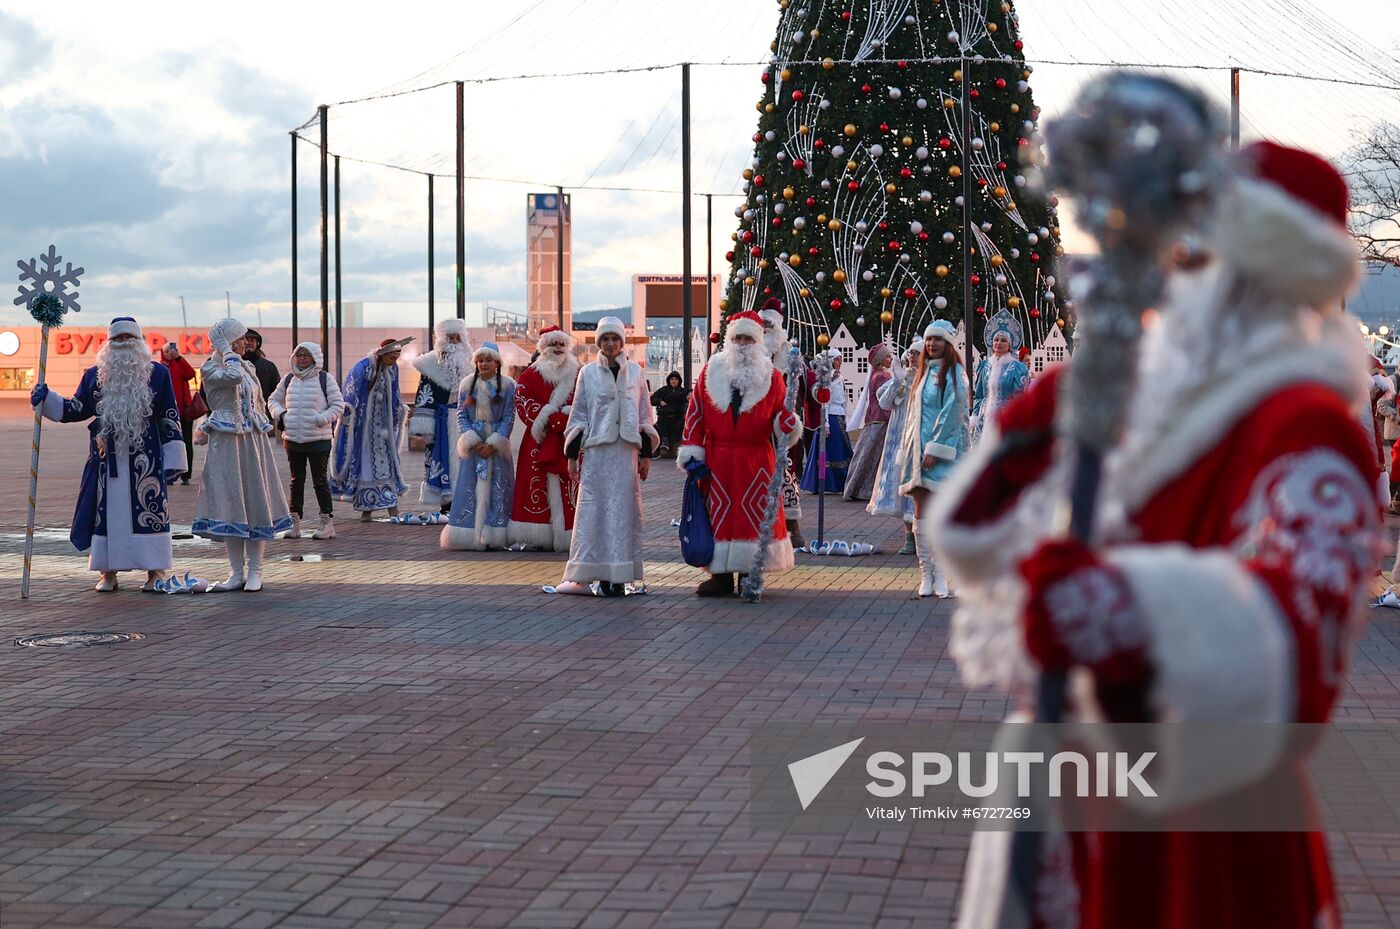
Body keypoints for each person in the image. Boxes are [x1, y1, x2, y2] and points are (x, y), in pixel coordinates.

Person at [931, 141, 1380, 929]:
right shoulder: (1148, 402)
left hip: (1201, 822)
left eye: (1194, 254)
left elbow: (1301, 632)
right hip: (1080, 789)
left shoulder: (1303, 422)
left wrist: (1119, 606)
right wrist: (1020, 442)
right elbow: (974, 540)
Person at [32, 317, 186, 592]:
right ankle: (108, 572)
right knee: (105, 512)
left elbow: (169, 415)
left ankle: (155, 571)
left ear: (139, 342)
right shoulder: (95, 375)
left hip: (146, 460)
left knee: (149, 511)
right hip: (106, 460)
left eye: (129, 338)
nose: (124, 344)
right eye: (118, 339)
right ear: (109, 343)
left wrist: (173, 458)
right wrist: (48, 399)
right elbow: (76, 408)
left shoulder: (158, 375)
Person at [678, 310, 802, 596]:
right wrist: (692, 450)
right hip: (717, 460)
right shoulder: (710, 372)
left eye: (748, 338)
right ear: (729, 340)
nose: (742, 344)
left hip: (756, 460)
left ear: (758, 342)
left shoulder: (772, 377)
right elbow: (694, 414)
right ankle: (720, 576)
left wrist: (787, 424)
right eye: (738, 338)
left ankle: (750, 572)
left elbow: (782, 416)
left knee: (753, 515)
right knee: (718, 514)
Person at [553, 318, 658, 596]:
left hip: (625, 453)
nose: (610, 344)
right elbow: (579, 415)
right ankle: (589, 571)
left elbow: (645, 415)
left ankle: (620, 575)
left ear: (622, 342)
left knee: (622, 512)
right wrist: (572, 456)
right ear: (599, 342)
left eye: (615, 339)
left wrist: (646, 455)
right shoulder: (587, 373)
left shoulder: (636, 373)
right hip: (597, 453)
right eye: (605, 339)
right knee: (594, 511)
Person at [192, 318, 292, 592]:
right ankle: (236, 572)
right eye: (240, 338)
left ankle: (256, 570)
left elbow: (256, 400)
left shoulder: (247, 366)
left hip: (252, 441)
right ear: (226, 341)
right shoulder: (211, 366)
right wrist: (227, 352)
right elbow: (232, 378)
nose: (245, 342)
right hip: (227, 441)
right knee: (231, 502)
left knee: (255, 499)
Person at [894, 319, 968, 598]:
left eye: (937, 339)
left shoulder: (955, 373)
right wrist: (908, 449)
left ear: (948, 344)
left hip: (942, 455)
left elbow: (952, 413)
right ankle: (926, 573)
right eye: (928, 339)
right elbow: (913, 416)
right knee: (921, 512)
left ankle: (942, 573)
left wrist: (936, 449)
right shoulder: (923, 374)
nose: (932, 344)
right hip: (918, 455)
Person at [508, 326, 580, 551]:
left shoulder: (580, 373)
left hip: (570, 438)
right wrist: (548, 417)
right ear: (543, 347)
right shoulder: (530, 374)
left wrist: (566, 417)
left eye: (561, 344)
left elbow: (588, 401)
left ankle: (573, 534)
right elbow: (521, 400)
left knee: (572, 484)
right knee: (536, 484)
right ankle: (538, 536)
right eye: (552, 344)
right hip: (539, 439)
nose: (557, 348)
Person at [442, 342, 516, 551]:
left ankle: (497, 534)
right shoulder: (467, 385)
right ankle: (468, 534)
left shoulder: (508, 386)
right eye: (480, 360)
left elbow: (509, 415)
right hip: (474, 447)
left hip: (497, 446)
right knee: (469, 486)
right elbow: (461, 414)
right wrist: (471, 439)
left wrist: (495, 442)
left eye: (488, 360)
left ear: (497, 363)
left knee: (498, 487)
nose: (484, 364)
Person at [267, 341, 345, 540]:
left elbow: (338, 405)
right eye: (298, 355)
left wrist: (320, 419)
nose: (301, 358)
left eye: (305, 355)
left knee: (320, 481)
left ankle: (327, 524)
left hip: (319, 439)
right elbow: (272, 400)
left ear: (315, 358)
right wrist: (282, 415)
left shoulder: (325, 379)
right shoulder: (288, 379)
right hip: (293, 439)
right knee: (296, 481)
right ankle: (294, 524)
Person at [330, 337, 411, 520]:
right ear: (383, 354)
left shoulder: (393, 369)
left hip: (383, 428)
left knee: (387, 464)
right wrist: (352, 417)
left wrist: (397, 410)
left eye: (397, 357)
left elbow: (395, 393)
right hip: (364, 429)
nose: (394, 360)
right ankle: (367, 509)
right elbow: (351, 393)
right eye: (391, 357)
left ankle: (392, 507)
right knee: (365, 464)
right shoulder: (364, 367)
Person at [408, 318, 473, 511]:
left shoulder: (472, 363)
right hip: (442, 422)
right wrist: (425, 427)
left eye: (457, 337)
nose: (453, 342)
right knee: (444, 460)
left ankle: (467, 500)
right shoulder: (429, 365)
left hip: (468, 422)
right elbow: (424, 395)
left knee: (468, 460)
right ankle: (447, 503)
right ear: (441, 339)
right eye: (449, 337)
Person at [867, 339, 923, 554]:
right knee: (902, 482)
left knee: (919, 485)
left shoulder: (929, 378)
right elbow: (885, 403)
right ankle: (908, 537)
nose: (912, 357)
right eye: (911, 353)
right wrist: (898, 382)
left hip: (920, 434)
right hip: (900, 435)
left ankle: (921, 536)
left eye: (917, 353)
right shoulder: (902, 377)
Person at [760, 298, 805, 548]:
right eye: (762, 324)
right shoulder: (754, 352)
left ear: (778, 326)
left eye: (770, 324)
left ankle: (792, 526)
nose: (766, 329)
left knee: (786, 474)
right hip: (755, 426)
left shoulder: (789, 355)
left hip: (782, 425)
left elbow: (800, 389)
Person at [842, 342, 894, 502]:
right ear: (880, 360)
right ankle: (868, 488)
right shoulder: (883, 376)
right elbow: (885, 402)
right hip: (881, 421)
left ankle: (856, 487)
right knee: (876, 457)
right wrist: (893, 419)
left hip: (872, 420)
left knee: (866, 456)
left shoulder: (875, 375)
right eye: (887, 356)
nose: (891, 359)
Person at [970, 309, 1031, 440]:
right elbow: (979, 395)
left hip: (1006, 416)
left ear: (1010, 345)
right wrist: (975, 417)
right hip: (984, 417)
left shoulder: (1017, 368)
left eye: (1003, 340)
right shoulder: (985, 366)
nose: (998, 343)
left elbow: (1021, 398)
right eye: (996, 340)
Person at [159, 341, 198, 485]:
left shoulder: (179, 364)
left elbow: (190, 374)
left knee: (186, 443)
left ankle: (186, 475)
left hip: (184, 412)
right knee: (168, 443)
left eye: (171, 351)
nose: (169, 353)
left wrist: (179, 358)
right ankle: (169, 472)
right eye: (167, 351)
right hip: (167, 413)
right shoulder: (160, 367)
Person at [241, 328, 280, 411]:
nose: (249, 343)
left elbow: (277, 392)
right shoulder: (233, 365)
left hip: (264, 412)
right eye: (247, 340)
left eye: (252, 340)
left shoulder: (269, 366)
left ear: (257, 344)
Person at [650, 371, 687, 458]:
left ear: (679, 381)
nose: (674, 381)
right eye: (672, 379)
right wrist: (659, 401)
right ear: (669, 380)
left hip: (677, 417)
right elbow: (652, 399)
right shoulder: (664, 390)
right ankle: (663, 442)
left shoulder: (682, 391)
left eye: (676, 379)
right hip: (664, 416)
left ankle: (674, 446)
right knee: (660, 425)